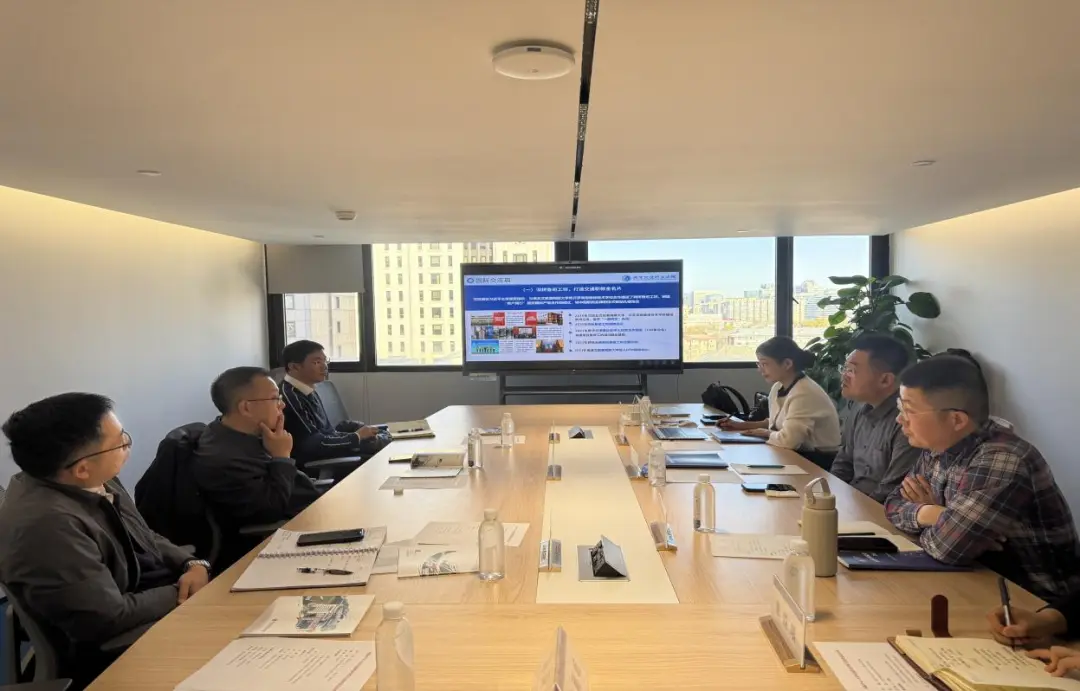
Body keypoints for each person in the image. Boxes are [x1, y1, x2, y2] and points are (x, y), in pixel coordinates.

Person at [0, 393, 211, 688]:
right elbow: (107, 618)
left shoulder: (93, 478)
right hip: (115, 652)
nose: (127, 445)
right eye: (120, 442)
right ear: (82, 468)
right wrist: (180, 591)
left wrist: (192, 564)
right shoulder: (48, 526)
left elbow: (145, 535)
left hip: (151, 602)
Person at [885, 355, 1080, 601]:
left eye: (909, 410)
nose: (899, 419)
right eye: (900, 408)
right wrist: (932, 513)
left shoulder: (1002, 459)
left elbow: (947, 548)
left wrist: (947, 526)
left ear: (956, 419)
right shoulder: (939, 446)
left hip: (1033, 603)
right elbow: (892, 503)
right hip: (975, 580)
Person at [191, 367, 321, 559]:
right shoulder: (225, 458)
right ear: (246, 408)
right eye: (275, 398)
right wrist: (281, 457)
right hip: (291, 537)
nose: (282, 405)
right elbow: (270, 511)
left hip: (311, 512)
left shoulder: (235, 434)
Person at [719, 336, 841, 462]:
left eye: (765, 364)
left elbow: (788, 441)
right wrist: (740, 425)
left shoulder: (804, 393)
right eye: (759, 364)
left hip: (818, 460)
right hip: (794, 453)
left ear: (787, 364)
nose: (760, 369)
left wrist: (766, 433)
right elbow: (775, 422)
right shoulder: (778, 386)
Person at [830, 334, 920, 502]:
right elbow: (843, 462)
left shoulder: (907, 422)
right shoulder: (859, 408)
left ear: (885, 380)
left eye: (852, 370)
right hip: (850, 502)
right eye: (845, 368)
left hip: (876, 510)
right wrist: (828, 496)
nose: (844, 375)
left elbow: (891, 490)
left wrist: (850, 510)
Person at [279, 339, 389, 465]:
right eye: (316, 362)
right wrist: (356, 437)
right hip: (317, 461)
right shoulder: (290, 397)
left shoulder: (307, 390)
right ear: (294, 367)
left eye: (325, 361)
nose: (324, 366)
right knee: (380, 447)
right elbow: (314, 445)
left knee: (381, 439)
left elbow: (328, 433)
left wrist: (358, 432)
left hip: (328, 450)